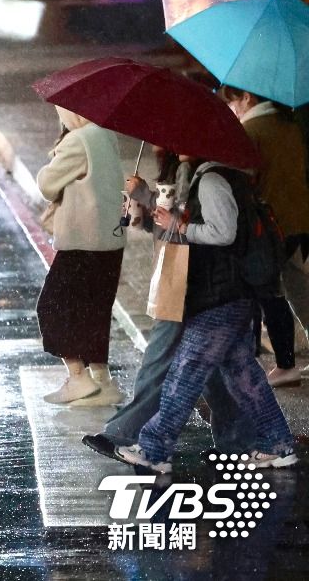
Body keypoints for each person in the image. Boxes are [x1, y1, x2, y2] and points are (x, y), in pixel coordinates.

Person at [115, 157, 299, 472]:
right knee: (244, 375)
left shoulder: (213, 181)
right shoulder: (209, 177)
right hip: (228, 295)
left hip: (221, 296)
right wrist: (156, 207)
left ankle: (153, 449)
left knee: (185, 374)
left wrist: (183, 226)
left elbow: (223, 233)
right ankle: (278, 444)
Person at [83, 150, 253, 458]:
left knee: (160, 360)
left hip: (187, 281)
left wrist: (147, 199)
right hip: (186, 279)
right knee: (210, 368)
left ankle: (123, 434)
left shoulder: (203, 177)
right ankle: (238, 442)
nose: (159, 145)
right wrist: (144, 205)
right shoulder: (183, 171)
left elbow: (192, 230)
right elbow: (168, 227)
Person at [33, 107, 126, 405]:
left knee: (51, 306)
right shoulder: (106, 134)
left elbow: (48, 185)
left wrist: (49, 165)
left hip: (82, 240)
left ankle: (77, 377)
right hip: (110, 239)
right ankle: (102, 380)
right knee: (94, 310)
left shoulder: (78, 140)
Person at [220, 86, 309, 387]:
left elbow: (243, 180)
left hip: (267, 227)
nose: (232, 107)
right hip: (298, 221)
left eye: (233, 100)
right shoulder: (289, 124)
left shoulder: (252, 129)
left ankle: (285, 365)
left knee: (269, 293)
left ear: (248, 98)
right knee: (299, 290)